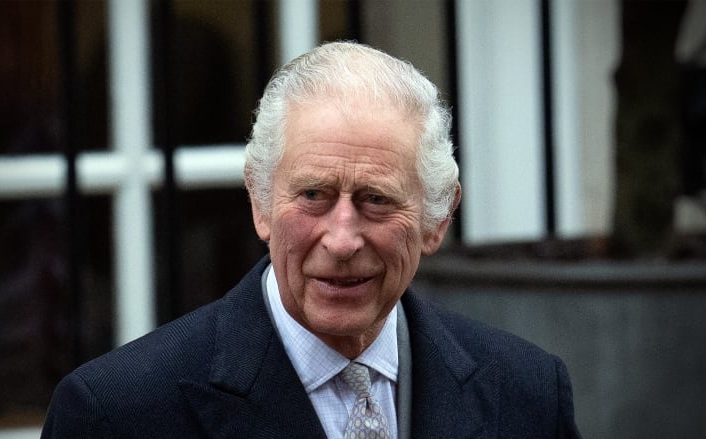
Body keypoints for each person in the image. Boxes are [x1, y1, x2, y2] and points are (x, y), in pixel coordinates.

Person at [41, 41, 580, 438]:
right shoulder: (116, 415)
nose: (342, 239)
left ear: (437, 219)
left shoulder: (528, 394)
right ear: (260, 203)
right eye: (314, 196)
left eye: (376, 199)